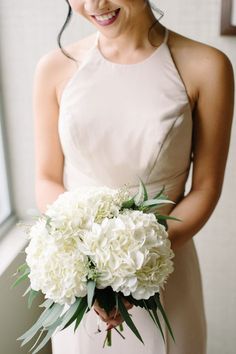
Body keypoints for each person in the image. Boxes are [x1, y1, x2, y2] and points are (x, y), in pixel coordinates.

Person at [33, 0, 234, 353]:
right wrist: (91, 268)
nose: (95, 4)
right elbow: (47, 178)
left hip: (164, 265)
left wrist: (134, 270)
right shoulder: (53, 67)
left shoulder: (207, 66)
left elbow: (206, 187)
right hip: (82, 287)